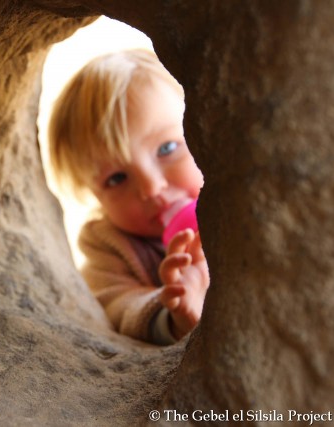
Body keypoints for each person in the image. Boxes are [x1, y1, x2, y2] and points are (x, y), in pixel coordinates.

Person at [48, 50, 209, 345]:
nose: (152, 187)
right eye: (117, 178)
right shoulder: (107, 246)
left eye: (167, 148)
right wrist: (172, 312)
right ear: (95, 196)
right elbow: (117, 306)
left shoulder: (229, 198)